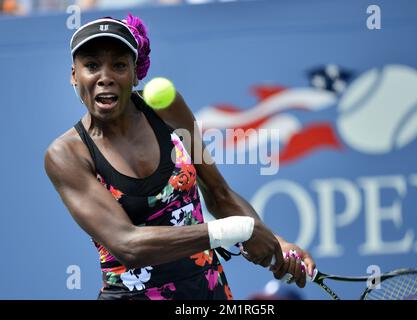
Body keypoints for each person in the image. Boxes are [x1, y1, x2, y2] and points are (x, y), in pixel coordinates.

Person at [44, 14, 315, 300]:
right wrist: (241, 229)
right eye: (91, 66)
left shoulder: (167, 108)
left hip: (210, 292)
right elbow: (128, 244)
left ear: (135, 73)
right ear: (74, 75)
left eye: (119, 65)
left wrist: (278, 245)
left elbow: (219, 193)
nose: (106, 77)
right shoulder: (66, 155)